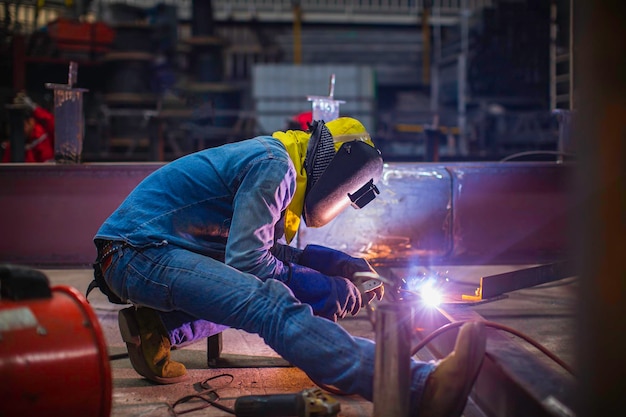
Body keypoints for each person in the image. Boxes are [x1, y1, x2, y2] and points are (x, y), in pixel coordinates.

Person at [91, 117, 486, 416]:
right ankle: (421, 386)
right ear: (335, 165)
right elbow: (250, 263)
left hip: (145, 251)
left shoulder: (276, 163)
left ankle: (156, 329)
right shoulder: (274, 165)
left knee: (253, 289)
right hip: (137, 252)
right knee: (266, 300)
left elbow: (263, 252)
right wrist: (323, 291)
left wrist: (338, 266)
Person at [1, 92, 55, 163]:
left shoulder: (43, 137)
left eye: (22, 125)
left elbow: (52, 123)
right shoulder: (11, 146)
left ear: (31, 121)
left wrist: (34, 108)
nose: (19, 130)